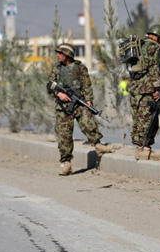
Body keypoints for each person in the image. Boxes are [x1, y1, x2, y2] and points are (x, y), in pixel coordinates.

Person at [48, 44, 114, 176]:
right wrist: (58, 94)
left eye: (60, 53)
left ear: (67, 55)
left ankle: (98, 146)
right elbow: (49, 86)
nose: (58, 55)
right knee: (64, 135)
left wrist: (88, 100)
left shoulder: (80, 68)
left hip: (78, 103)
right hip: (62, 107)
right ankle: (66, 164)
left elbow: (87, 85)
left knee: (88, 123)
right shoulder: (56, 69)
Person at [127, 24, 160, 160]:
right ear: (157, 36)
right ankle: (144, 149)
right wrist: (157, 89)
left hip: (134, 88)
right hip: (147, 89)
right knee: (147, 119)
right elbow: (155, 69)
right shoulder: (153, 47)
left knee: (137, 119)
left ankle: (139, 149)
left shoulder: (138, 45)